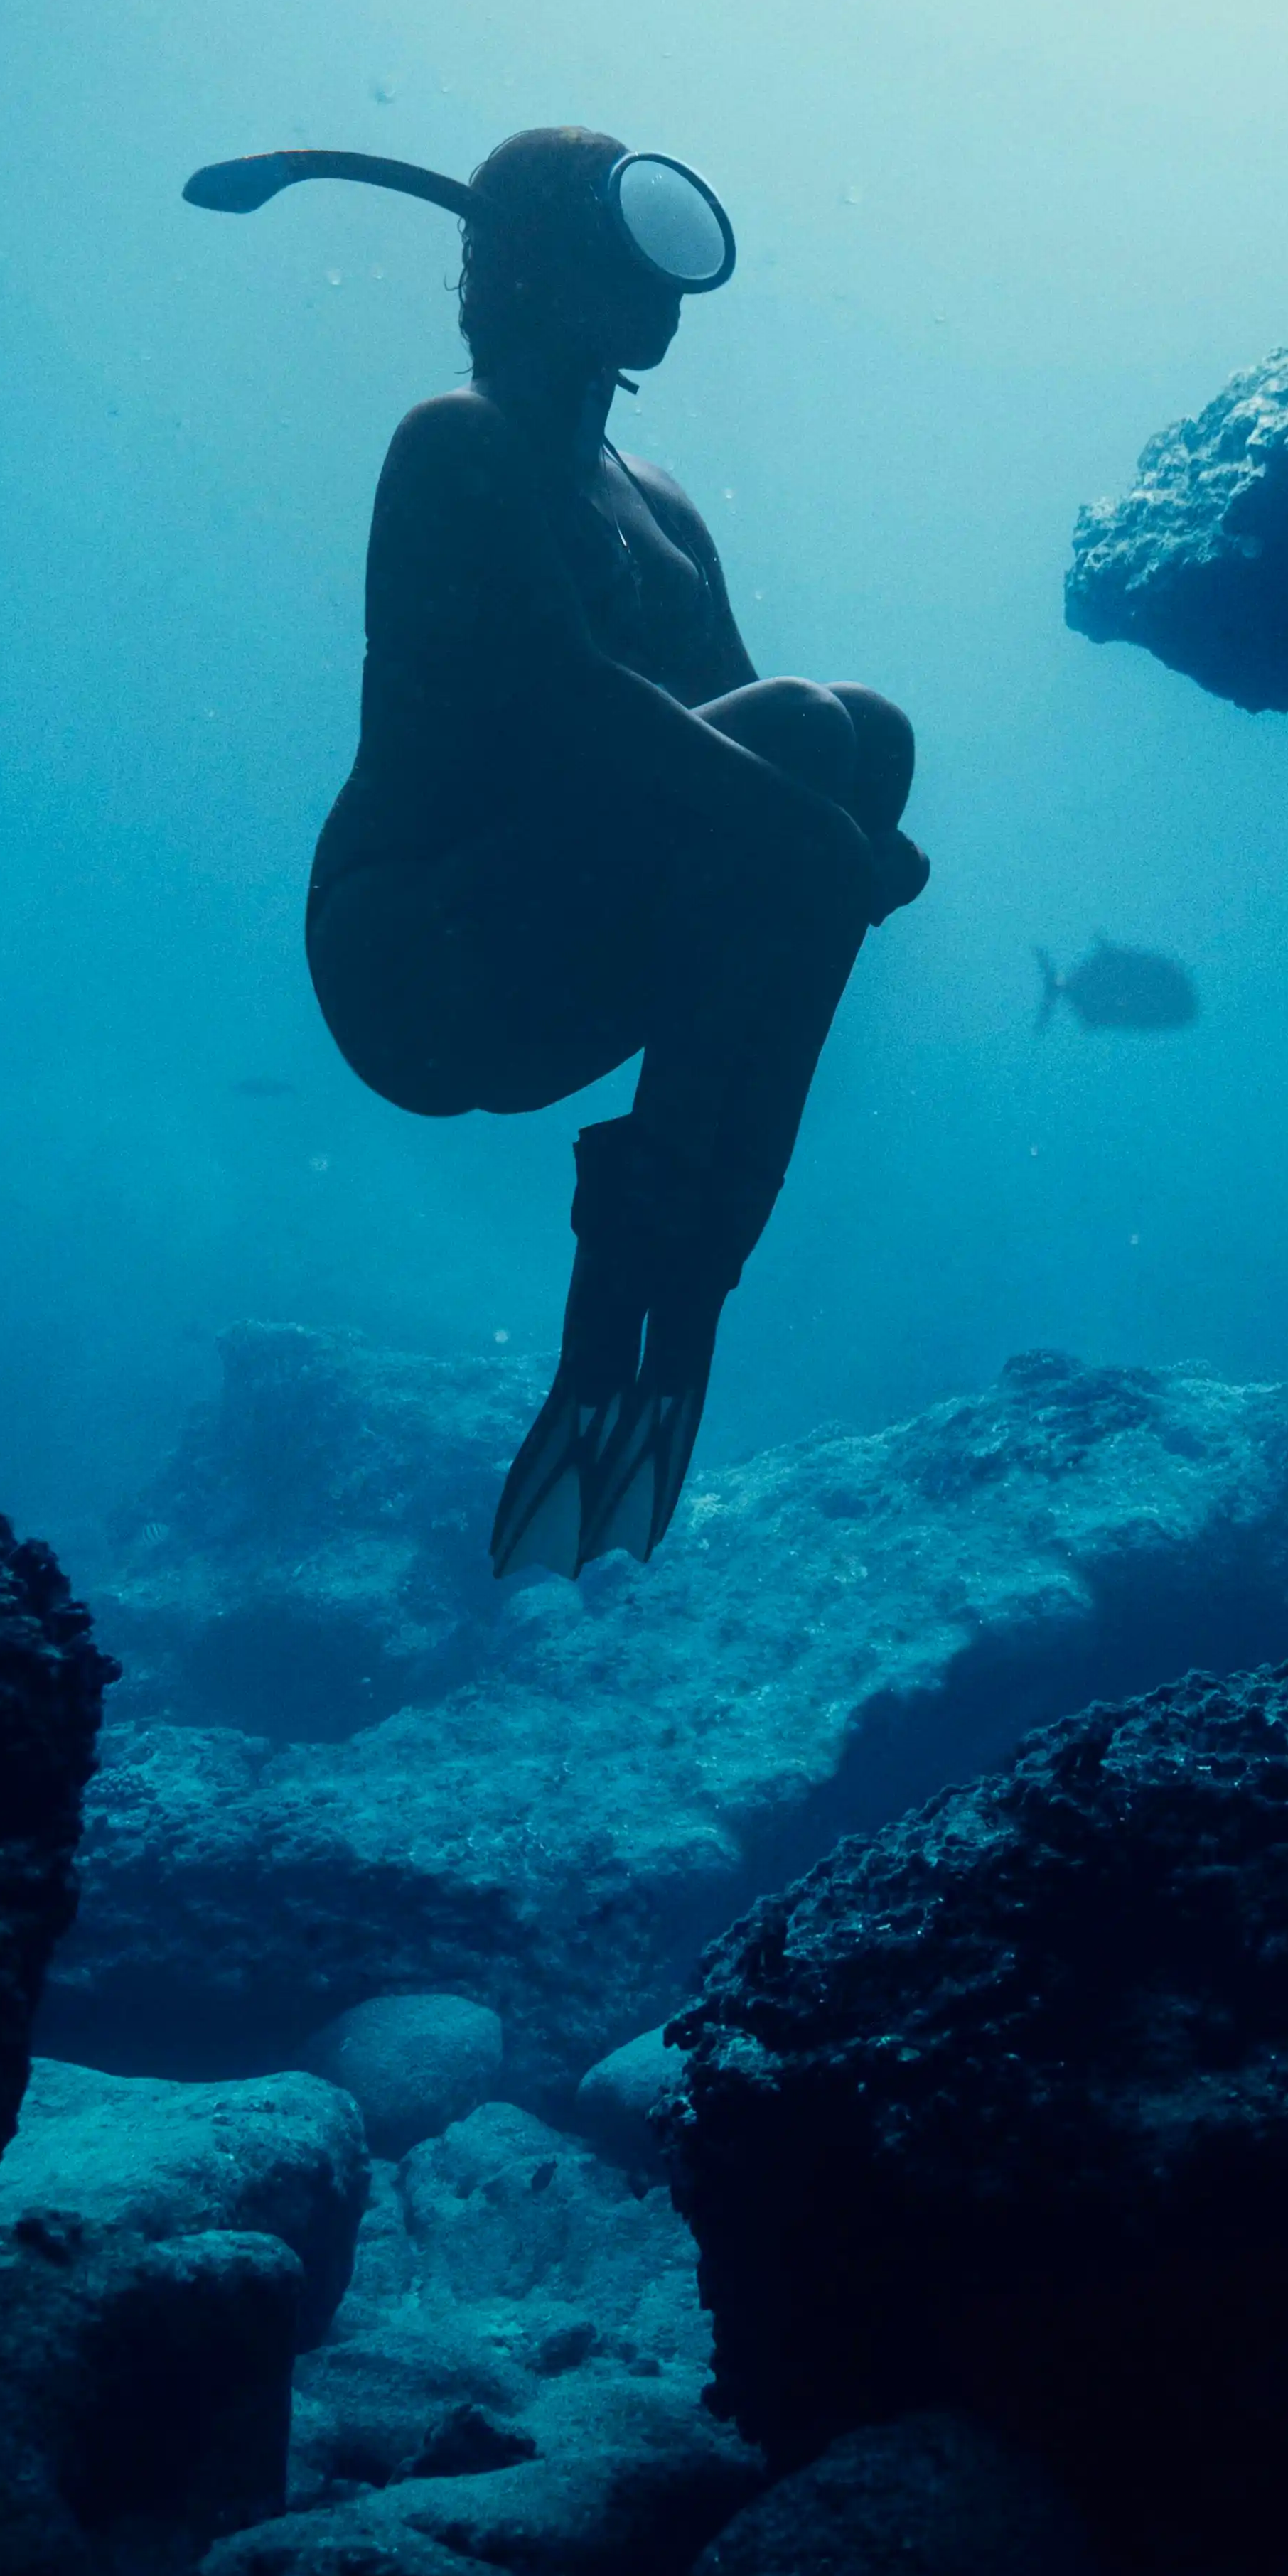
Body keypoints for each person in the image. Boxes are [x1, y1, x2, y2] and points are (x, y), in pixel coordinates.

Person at [190, 124, 925, 1574]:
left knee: (864, 735)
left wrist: (838, 836)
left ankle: (689, 1279)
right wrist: (817, 834)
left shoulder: (658, 497)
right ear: (532, 266)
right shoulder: (455, 443)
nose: (654, 280)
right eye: (615, 236)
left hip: (551, 945)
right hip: (418, 956)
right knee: (810, 767)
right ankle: (619, 1297)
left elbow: (767, 742)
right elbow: (571, 697)